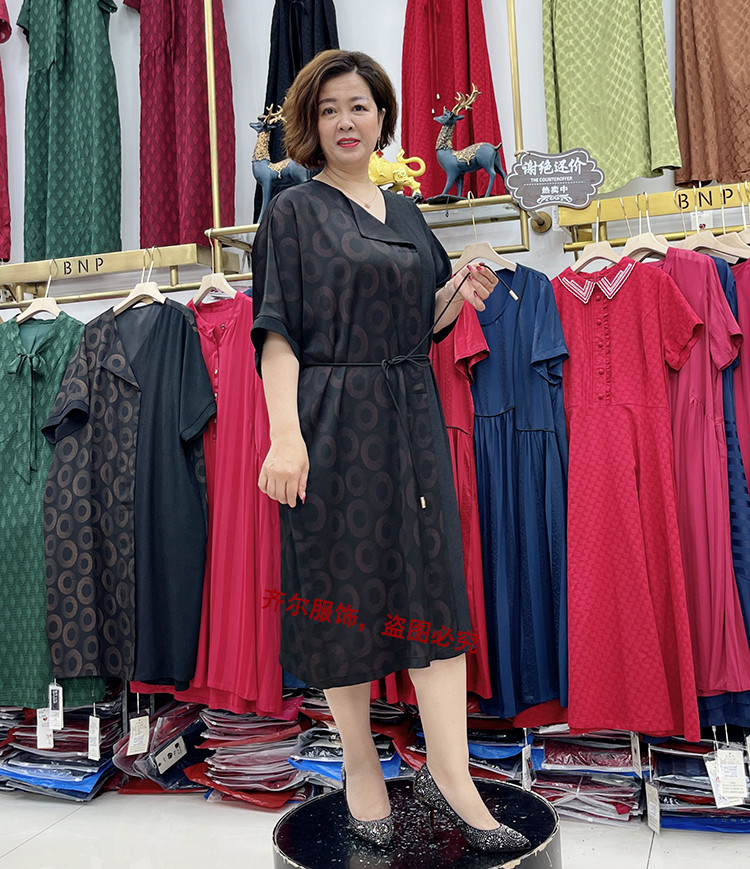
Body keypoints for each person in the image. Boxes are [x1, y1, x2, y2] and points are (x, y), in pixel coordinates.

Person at [251, 49, 529, 853]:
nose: (346, 121)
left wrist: (457, 291)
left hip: (411, 415)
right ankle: (359, 763)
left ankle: (452, 772)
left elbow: (423, 321)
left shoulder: (407, 211)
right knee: (342, 590)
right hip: (332, 418)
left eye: (360, 106)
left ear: (382, 117)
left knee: (432, 590)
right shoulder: (292, 212)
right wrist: (285, 434)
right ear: (311, 123)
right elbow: (277, 332)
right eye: (330, 109)